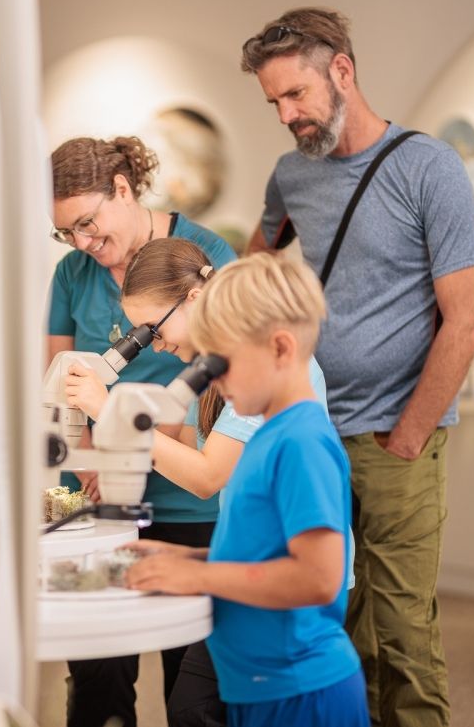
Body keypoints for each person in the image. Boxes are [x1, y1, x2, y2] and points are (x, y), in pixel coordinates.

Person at [239, 7, 474, 727]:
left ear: (342, 71)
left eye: (296, 95)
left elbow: (466, 319)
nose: (286, 115)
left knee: (404, 633)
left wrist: (409, 434)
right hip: (315, 433)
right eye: (274, 103)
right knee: (330, 626)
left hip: (396, 437)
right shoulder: (292, 176)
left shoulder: (428, 167)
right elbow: (254, 267)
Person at [63, 237, 335, 727]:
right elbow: (184, 450)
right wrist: (181, 557)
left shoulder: (293, 426)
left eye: (153, 328)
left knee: (202, 708)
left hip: (288, 624)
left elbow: (208, 475)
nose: (154, 343)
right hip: (248, 575)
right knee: (191, 709)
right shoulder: (221, 377)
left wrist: (112, 412)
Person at [124, 252, 368, 727]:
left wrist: (200, 577)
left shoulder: (302, 442)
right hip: (260, 682)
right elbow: (261, 556)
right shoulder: (270, 434)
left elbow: (319, 578)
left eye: (221, 363)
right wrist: (184, 561)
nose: (210, 380)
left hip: (300, 691)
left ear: (280, 348)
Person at [47, 137, 236, 727]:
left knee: (192, 689)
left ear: (123, 190)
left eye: (87, 222)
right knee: (98, 680)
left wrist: (122, 428)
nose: (81, 242)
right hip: (98, 504)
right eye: (66, 232)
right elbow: (58, 385)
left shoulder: (205, 257)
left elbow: (221, 390)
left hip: (187, 501)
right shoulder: (72, 274)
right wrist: (86, 458)